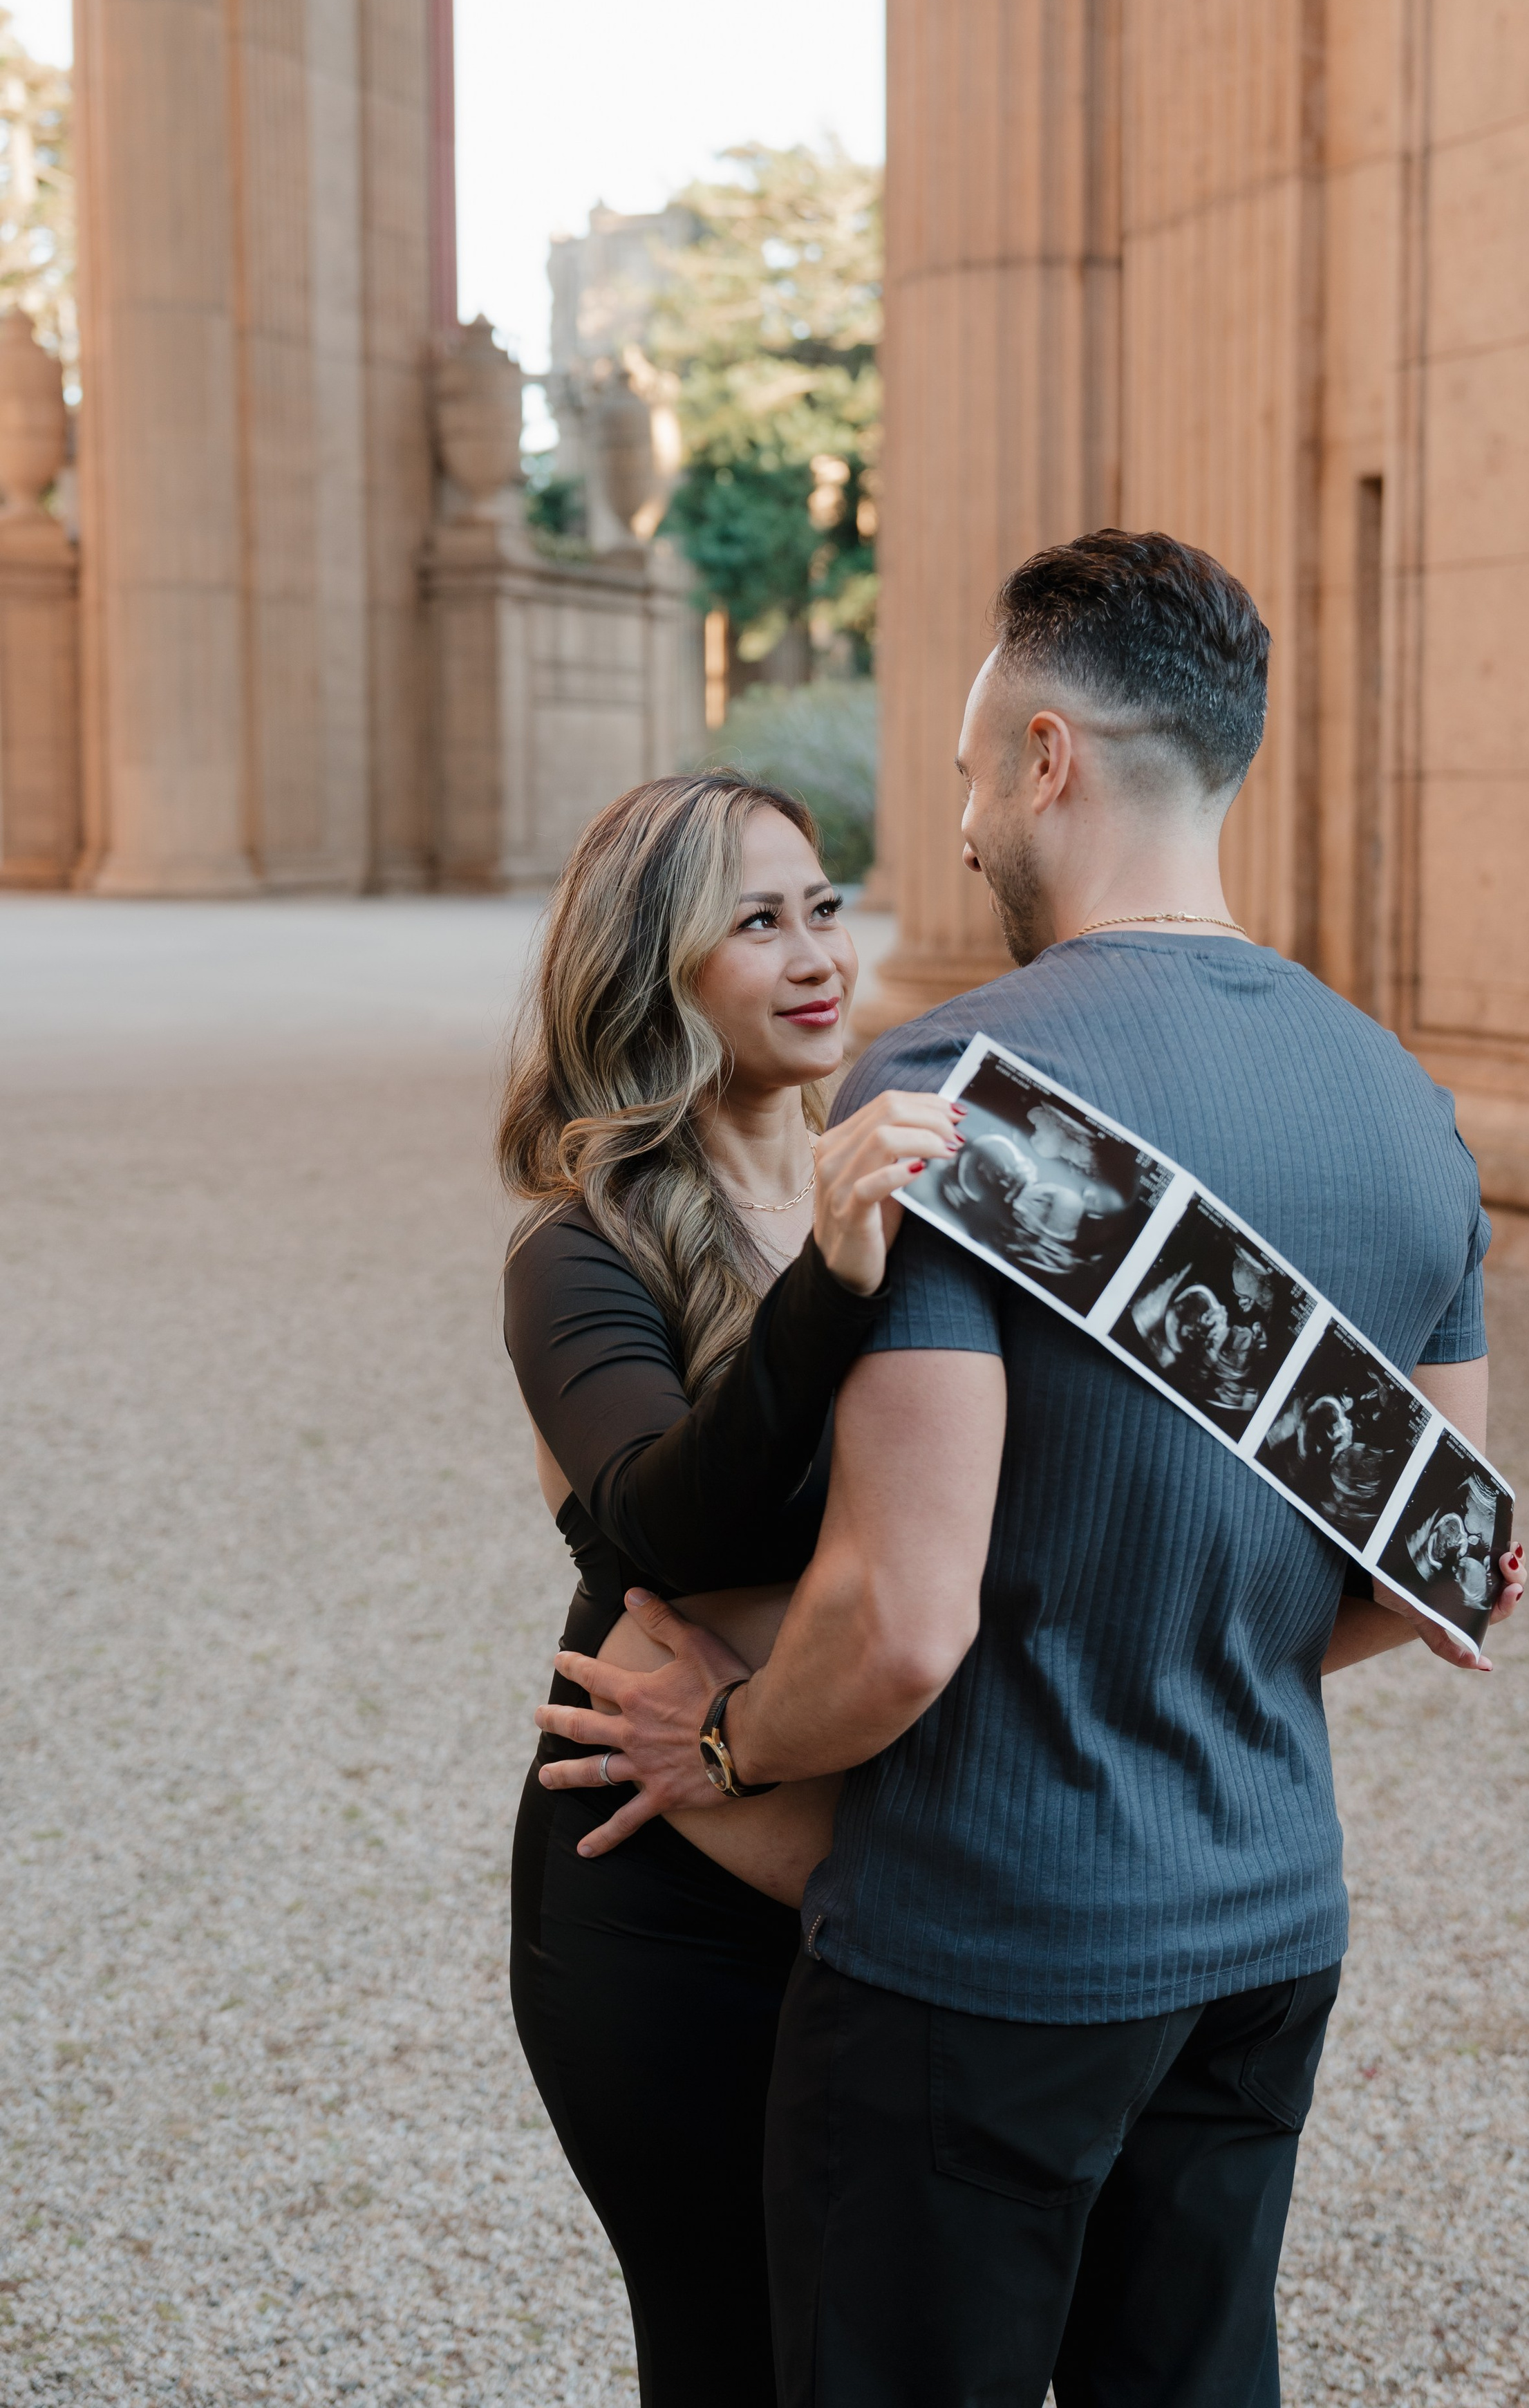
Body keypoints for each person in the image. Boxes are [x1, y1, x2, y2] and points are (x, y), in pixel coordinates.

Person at [541, 531, 1528, 2407]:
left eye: (974, 771)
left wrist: (721, 1750)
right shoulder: (1406, 1102)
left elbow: (902, 1627)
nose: (964, 822)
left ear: (1049, 759)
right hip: (1267, 1926)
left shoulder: (959, 1096)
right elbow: (1430, 1566)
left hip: (984, 1952)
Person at [497, 772, 959, 2408]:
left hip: (887, 1871)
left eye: (822, 907)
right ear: (653, 971)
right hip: (660, 1901)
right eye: (755, 923)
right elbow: (668, 1523)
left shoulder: (901, 1184)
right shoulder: (578, 1250)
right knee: (738, 2356)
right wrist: (829, 1280)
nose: (816, 954)